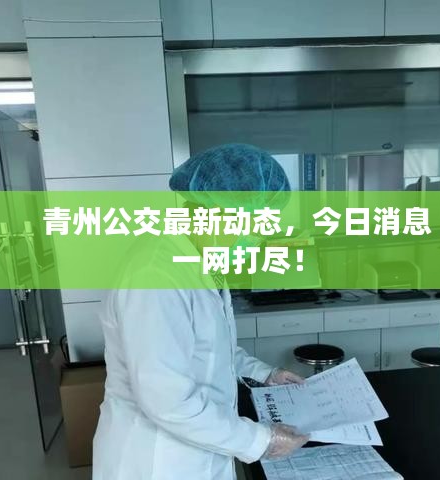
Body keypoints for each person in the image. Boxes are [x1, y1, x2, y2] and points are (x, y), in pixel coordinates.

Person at [93, 144, 309, 480]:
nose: (256, 239)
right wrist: (263, 440)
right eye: (252, 226)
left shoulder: (202, 260)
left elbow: (211, 347)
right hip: (156, 461)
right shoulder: (155, 276)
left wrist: (266, 373)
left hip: (201, 447)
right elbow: (167, 400)